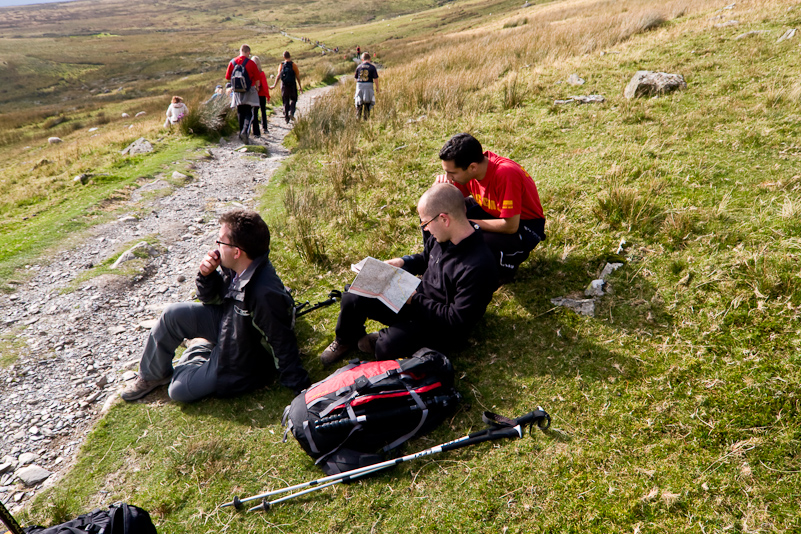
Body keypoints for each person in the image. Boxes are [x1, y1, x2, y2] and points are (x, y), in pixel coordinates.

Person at [121, 210, 311, 403]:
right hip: (230, 324)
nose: (216, 246)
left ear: (237, 252)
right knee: (172, 315)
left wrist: (301, 389)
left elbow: (281, 342)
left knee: (178, 390)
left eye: (221, 241)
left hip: (244, 354)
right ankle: (152, 376)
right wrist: (207, 275)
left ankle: (200, 348)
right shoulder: (236, 266)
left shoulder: (264, 295)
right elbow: (211, 300)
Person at [319, 183, 498, 367]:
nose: (425, 229)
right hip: (415, 296)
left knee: (385, 347)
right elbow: (427, 258)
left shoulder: (479, 266)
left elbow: (456, 320)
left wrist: (415, 300)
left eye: (426, 223)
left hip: (437, 324)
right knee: (355, 294)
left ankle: (382, 339)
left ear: (444, 219)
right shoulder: (444, 236)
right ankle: (345, 339)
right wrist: (404, 262)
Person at [437, 133, 546, 283]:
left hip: (525, 226)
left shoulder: (506, 174)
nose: (448, 178)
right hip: (491, 211)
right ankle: (436, 265)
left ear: (472, 167)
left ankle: (500, 272)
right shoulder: (473, 168)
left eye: (452, 173)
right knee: (439, 215)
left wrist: (466, 223)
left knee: (471, 238)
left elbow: (511, 226)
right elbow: (446, 202)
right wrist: (439, 191)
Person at [225, 44, 261, 144]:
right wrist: (257, 87)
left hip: (237, 91)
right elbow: (257, 78)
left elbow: (228, 77)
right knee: (249, 112)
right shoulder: (251, 63)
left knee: (240, 111)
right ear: (248, 52)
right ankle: (245, 131)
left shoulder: (232, 62)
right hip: (249, 90)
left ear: (240, 51)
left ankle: (241, 134)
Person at [270, 51, 302, 123]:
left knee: (285, 100)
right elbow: (297, 77)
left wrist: (274, 85)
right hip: (292, 85)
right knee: (294, 99)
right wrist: (300, 86)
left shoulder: (282, 65)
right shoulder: (293, 65)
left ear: (284, 57)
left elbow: (278, 76)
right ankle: (291, 112)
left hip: (284, 86)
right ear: (290, 56)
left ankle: (286, 117)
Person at [354, 52, 379, 120]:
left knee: (359, 102)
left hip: (360, 85)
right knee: (368, 102)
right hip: (369, 85)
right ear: (370, 59)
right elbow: (375, 78)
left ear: (362, 59)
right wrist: (377, 88)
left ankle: (358, 117)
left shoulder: (358, 67)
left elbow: (356, 78)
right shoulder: (372, 67)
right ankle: (366, 118)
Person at [250, 56, 271, 137]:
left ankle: (255, 131)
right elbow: (265, 86)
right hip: (261, 95)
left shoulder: (251, 74)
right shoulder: (261, 73)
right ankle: (265, 128)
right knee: (263, 111)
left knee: (254, 112)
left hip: (253, 95)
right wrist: (267, 96)